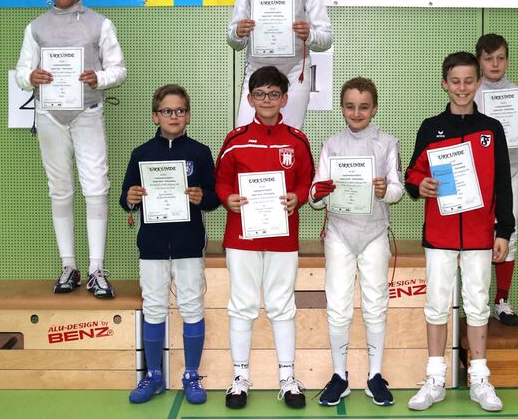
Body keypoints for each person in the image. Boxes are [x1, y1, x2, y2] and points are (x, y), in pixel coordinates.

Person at [405, 52, 514, 413]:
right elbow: (412, 174)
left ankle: (479, 378)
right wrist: (420, 186)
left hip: (481, 234)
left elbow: (503, 183)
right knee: (436, 304)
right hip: (441, 233)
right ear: (445, 84)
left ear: (478, 83)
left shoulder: (492, 129)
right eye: (455, 81)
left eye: (469, 81)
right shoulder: (430, 127)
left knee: (478, 304)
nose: (462, 88)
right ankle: (435, 378)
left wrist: (504, 230)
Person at [15, 0, 126, 298]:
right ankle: (68, 266)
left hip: (87, 112)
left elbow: (119, 69)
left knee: (96, 186)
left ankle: (96, 269)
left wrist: (98, 78)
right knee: (60, 189)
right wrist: (30, 78)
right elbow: (21, 73)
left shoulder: (100, 24)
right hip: (49, 115)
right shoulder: (36, 27)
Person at [215, 66, 315, 409]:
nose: (267, 100)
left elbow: (307, 181)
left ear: (284, 99)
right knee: (242, 305)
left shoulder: (297, 140)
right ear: (250, 99)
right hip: (241, 237)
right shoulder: (235, 140)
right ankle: (239, 378)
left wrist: (297, 197)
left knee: (281, 306)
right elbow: (221, 182)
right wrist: (227, 198)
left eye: (273, 94)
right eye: (260, 94)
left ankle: (287, 379)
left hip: (282, 239)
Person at [121, 84, 220, 405]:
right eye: (167, 111)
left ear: (188, 115)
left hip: (188, 244)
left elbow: (214, 198)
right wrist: (131, 197)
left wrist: (203, 197)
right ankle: (154, 375)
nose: (173, 116)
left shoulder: (200, 152)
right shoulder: (141, 154)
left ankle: (191, 374)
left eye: (179, 111)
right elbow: (125, 198)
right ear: (156, 116)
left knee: (191, 306)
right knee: (153, 307)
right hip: (151, 246)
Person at [309, 77, 404, 407]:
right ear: (342, 108)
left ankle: (375, 376)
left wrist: (384, 191)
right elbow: (315, 196)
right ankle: (340, 376)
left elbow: (397, 189)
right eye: (350, 106)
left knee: (376, 304)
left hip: (374, 233)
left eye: (364, 107)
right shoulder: (331, 145)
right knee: (338, 307)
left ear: (374, 108)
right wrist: (318, 193)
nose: (357, 112)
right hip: (339, 234)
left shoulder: (387, 143)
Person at [227, 0, 333, 129]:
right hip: (256, 73)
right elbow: (234, 41)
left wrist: (309, 35)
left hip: (295, 74)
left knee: (289, 139)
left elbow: (326, 39)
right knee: (245, 136)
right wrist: (238, 33)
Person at [475, 34, 518, 325]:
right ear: (480, 61)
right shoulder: (471, 92)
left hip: (510, 171)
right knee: (477, 236)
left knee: (507, 234)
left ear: (507, 61)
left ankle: (501, 300)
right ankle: (477, 302)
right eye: (488, 58)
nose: (495, 64)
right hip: (476, 176)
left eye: (500, 58)